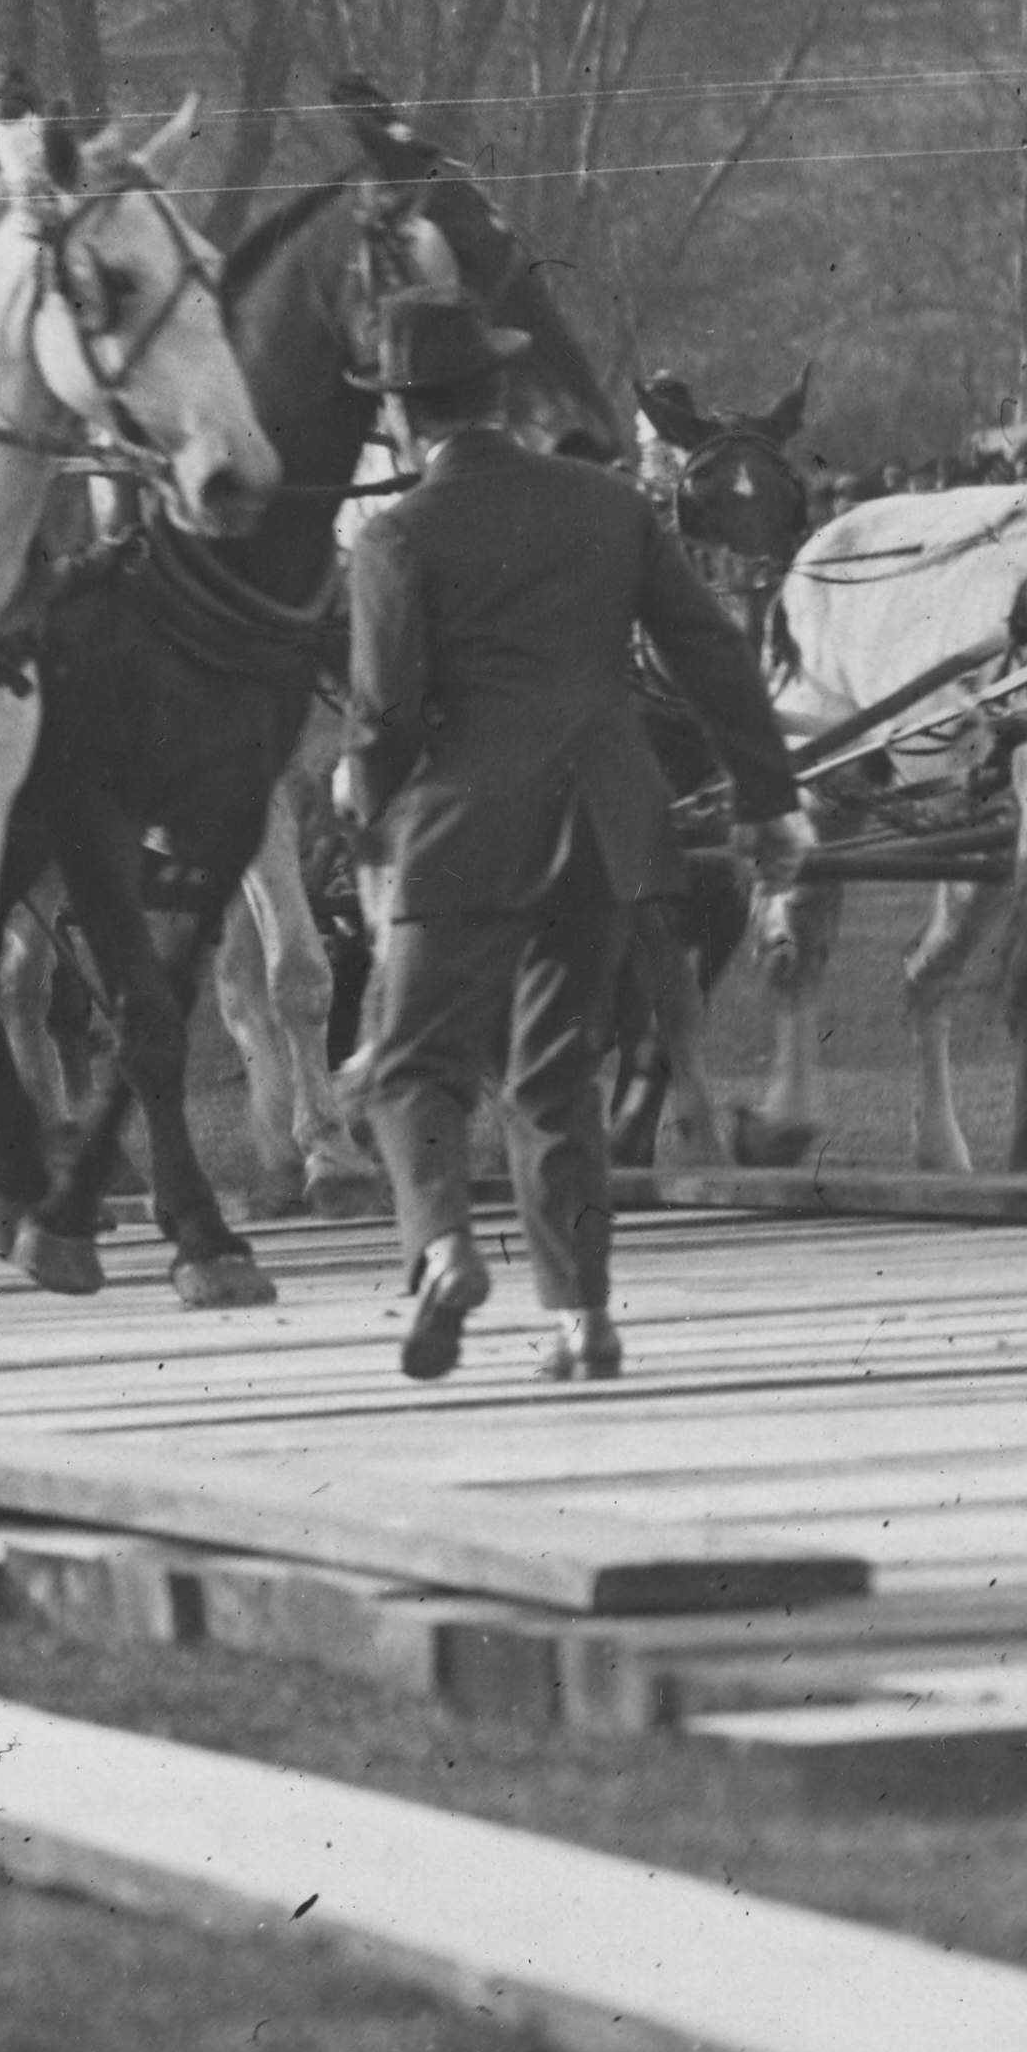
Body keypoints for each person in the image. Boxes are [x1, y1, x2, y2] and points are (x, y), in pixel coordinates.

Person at [341, 287, 807, 1385]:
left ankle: (446, 1251)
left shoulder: (396, 535)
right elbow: (709, 653)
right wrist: (766, 797)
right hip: (608, 823)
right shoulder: (608, 505)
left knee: (413, 1066)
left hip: (464, 830)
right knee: (556, 1077)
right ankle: (583, 1322)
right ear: (498, 392)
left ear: (401, 415)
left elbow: (385, 717)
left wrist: (359, 794)